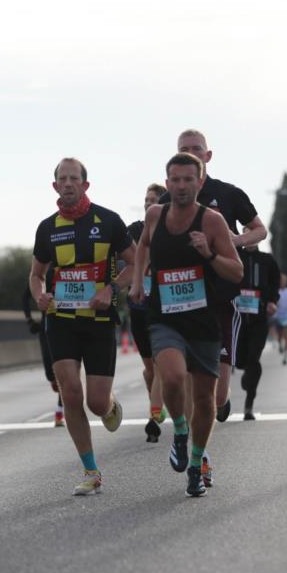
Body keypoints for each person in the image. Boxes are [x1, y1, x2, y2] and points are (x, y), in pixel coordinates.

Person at [131, 152, 243, 497]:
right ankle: (180, 431)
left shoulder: (212, 222)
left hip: (202, 319)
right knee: (173, 376)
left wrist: (208, 253)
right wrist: (137, 281)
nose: (181, 186)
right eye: (175, 180)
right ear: (167, 184)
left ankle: (195, 466)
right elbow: (143, 247)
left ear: (199, 182)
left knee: (206, 400)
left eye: (188, 180)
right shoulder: (155, 215)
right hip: (165, 316)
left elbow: (236, 271)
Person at [30, 158, 135, 496]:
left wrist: (111, 288)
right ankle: (91, 470)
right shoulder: (47, 228)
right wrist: (40, 295)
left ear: (86, 185)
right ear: (55, 186)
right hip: (60, 321)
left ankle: (110, 404)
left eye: (75, 178)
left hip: (99, 321)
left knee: (96, 402)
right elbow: (35, 274)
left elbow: (137, 263)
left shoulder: (108, 221)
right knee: (70, 392)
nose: (69, 183)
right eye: (63, 178)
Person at [163, 130, 266, 424]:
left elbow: (260, 230)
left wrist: (233, 241)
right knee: (185, 380)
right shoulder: (166, 197)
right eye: (185, 149)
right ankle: (191, 444)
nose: (192, 153)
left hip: (220, 297)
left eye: (197, 149)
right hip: (180, 298)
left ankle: (220, 402)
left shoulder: (228, 194)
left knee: (216, 398)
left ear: (208, 156)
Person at [127, 183, 168, 443]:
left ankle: (154, 415)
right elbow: (133, 257)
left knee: (161, 362)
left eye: (154, 199)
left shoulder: (172, 228)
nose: (148, 203)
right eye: (145, 199)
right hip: (139, 305)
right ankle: (156, 404)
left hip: (164, 305)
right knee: (150, 368)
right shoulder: (133, 230)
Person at [234, 230, 280, 419]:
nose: (250, 238)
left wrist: (272, 301)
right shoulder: (235, 255)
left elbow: (275, 282)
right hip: (238, 317)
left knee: (254, 358)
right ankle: (246, 374)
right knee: (240, 360)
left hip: (259, 317)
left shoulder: (267, 260)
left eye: (254, 234)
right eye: (246, 233)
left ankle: (249, 403)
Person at [22, 276, 64, 426]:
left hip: (66, 327)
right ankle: (59, 388)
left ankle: (60, 412)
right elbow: (25, 298)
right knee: (51, 376)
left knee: (64, 371)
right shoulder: (41, 275)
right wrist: (29, 320)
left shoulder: (67, 270)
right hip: (46, 327)